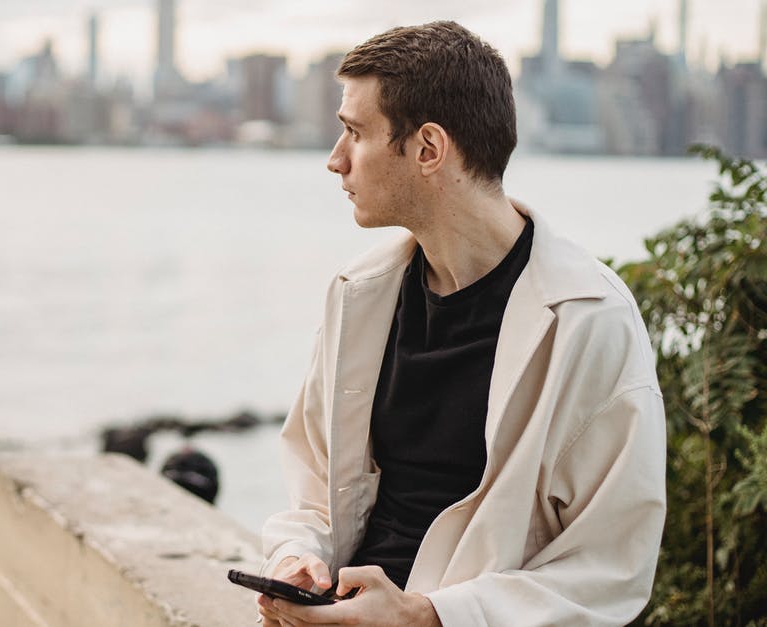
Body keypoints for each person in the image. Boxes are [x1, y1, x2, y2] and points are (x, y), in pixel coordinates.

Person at [256, 21, 666, 627]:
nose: (335, 161)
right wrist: (300, 560)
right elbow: (317, 490)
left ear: (428, 148)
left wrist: (426, 615)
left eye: (354, 133)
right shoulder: (357, 294)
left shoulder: (589, 321)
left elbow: (610, 570)